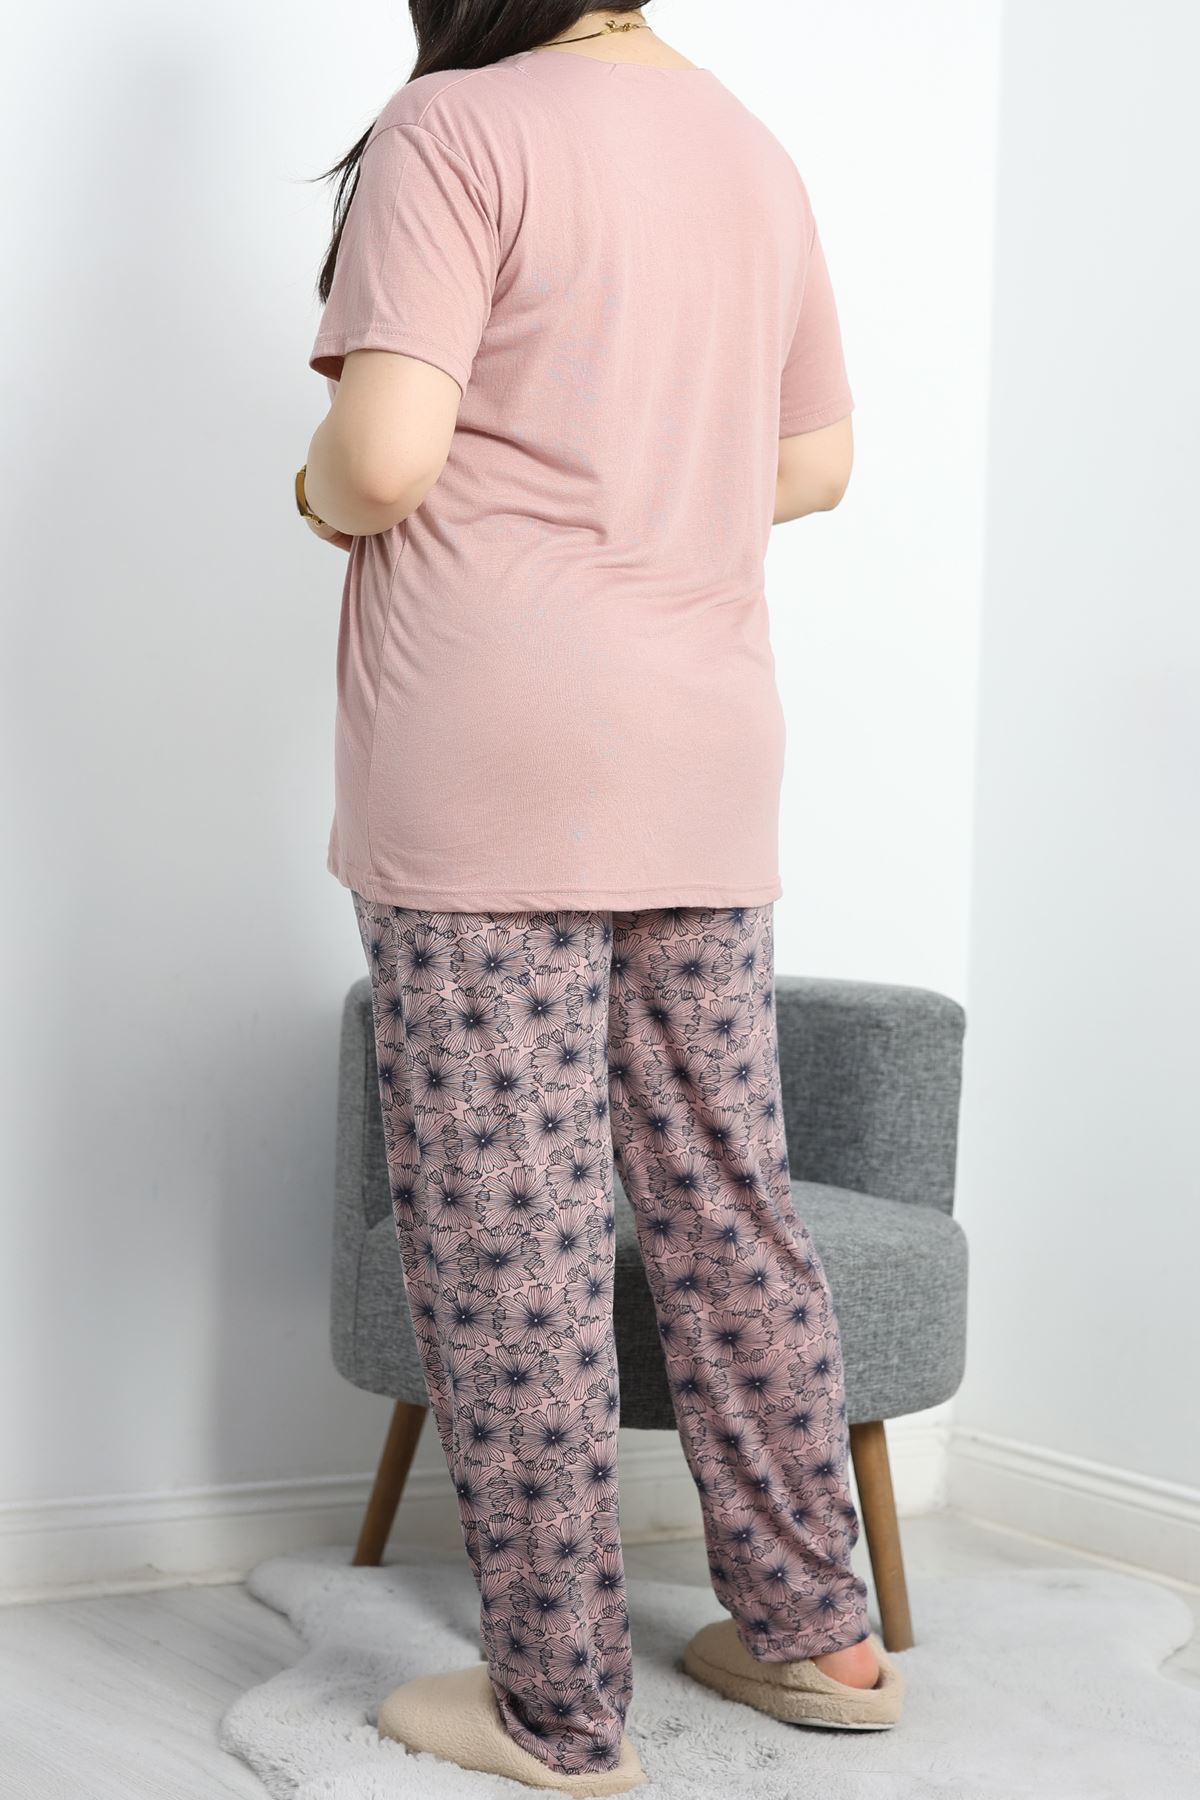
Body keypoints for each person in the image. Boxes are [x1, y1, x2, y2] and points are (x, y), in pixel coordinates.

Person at [297, 5, 903, 1792]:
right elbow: (816, 462)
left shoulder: (457, 127)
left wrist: (315, 491)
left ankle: (554, 1712)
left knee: (515, 1228)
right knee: (727, 1191)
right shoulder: (748, 146)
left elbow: (382, 459)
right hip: (702, 742)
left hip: (495, 748)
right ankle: (818, 1630)